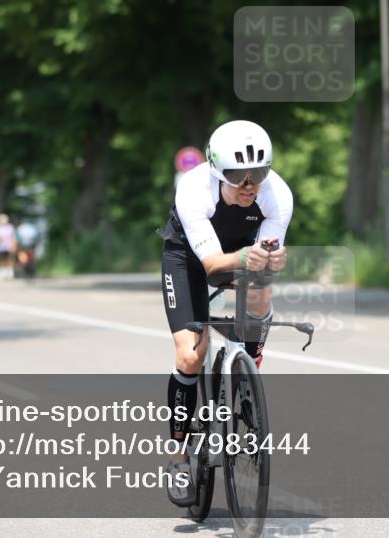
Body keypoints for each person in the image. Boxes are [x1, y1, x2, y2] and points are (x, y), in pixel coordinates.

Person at [157, 120, 293, 507]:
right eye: (237, 176)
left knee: (262, 282)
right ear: (218, 171)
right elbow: (215, 266)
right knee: (190, 355)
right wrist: (246, 258)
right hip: (189, 258)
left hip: (239, 253)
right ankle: (179, 455)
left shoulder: (278, 195)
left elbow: (263, 259)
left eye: (258, 174)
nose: (249, 185)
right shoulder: (193, 189)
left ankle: (248, 364)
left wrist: (271, 259)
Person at [0, 213, 17, 279]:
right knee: (1, 259)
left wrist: (14, 245)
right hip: (0, 246)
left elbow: (14, 237)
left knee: (9, 259)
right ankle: (1, 271)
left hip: (9, 246)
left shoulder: (10, 227)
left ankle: (10, 271)